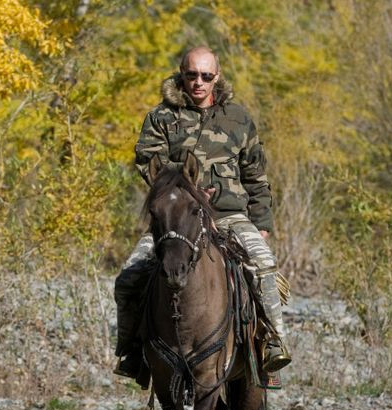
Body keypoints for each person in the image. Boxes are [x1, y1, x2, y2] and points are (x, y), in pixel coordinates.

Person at [113, 46, 290, 386]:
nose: (198, 82)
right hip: (176, 219)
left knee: (264, 267)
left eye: (206, 76)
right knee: (128, 278)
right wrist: (185, 194)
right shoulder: (160, 118)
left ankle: (272, 343)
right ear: (181, 74)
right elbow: (148, 164)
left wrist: (262, 223)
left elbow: (256, 175)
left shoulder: (238, 118)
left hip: (229, 216)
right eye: (192, 75)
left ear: (216, 77)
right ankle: (132, 351)